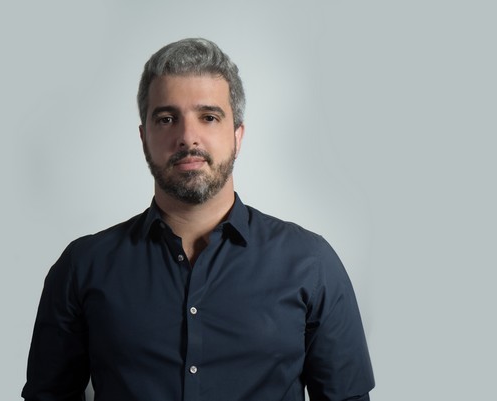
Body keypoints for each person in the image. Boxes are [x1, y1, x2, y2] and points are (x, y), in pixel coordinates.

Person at [22, 38, 374, 401]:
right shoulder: (82, 267)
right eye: (167, 119)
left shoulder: (311, 264)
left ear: (237, 135)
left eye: (208, 117)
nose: (188, 137)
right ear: (144, 137)